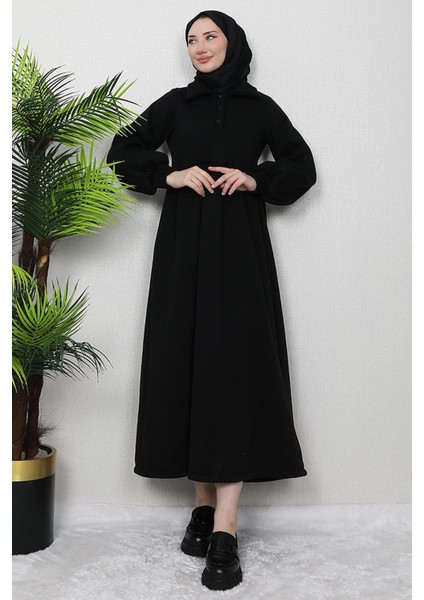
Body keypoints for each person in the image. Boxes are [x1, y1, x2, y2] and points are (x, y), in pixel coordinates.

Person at [107, 9, 317, 591]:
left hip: (242, 257)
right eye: (191, 39)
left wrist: (256, 180)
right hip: (182, 254)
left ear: (233, 43)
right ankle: (202, 506)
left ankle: (224, 527)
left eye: (210, 36)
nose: (200, 47)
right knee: (187, 366)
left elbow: (301, 167)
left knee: (232, 372)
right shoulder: (175, 105)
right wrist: (168, 175)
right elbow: (120, 152)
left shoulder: (260, 108)